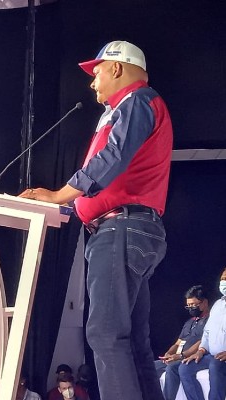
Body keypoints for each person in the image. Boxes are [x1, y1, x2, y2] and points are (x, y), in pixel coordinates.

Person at [19, 40, 172, 400]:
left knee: (105, 334)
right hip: (128, 228)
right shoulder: (130, 107)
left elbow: (113, 157)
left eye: (97, 71)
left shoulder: (137, 101)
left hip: (121, 229)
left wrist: (60, 195)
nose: (92, 82)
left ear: (117, 68)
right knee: (132, 341)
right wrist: (69, 207)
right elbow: (115, 177)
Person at [154, 285, 209, 400]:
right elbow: (178, 342)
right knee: (151, 366)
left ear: (204, 303)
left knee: (172, 368)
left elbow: (202, 342)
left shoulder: (209, 321)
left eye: (193, 305)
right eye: (188, 306)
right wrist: (168, 354)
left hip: (191, 357)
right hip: (177, 356)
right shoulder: (189, 322)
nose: (190, 308)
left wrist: (180, 356)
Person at [179, 267, 226, 400]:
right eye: (222, 279)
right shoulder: (218, 304)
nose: (223, 282)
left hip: (222, 359)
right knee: (185, 368)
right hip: (212, 355)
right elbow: (207, 332)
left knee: (216, 365)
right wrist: (200, 350)